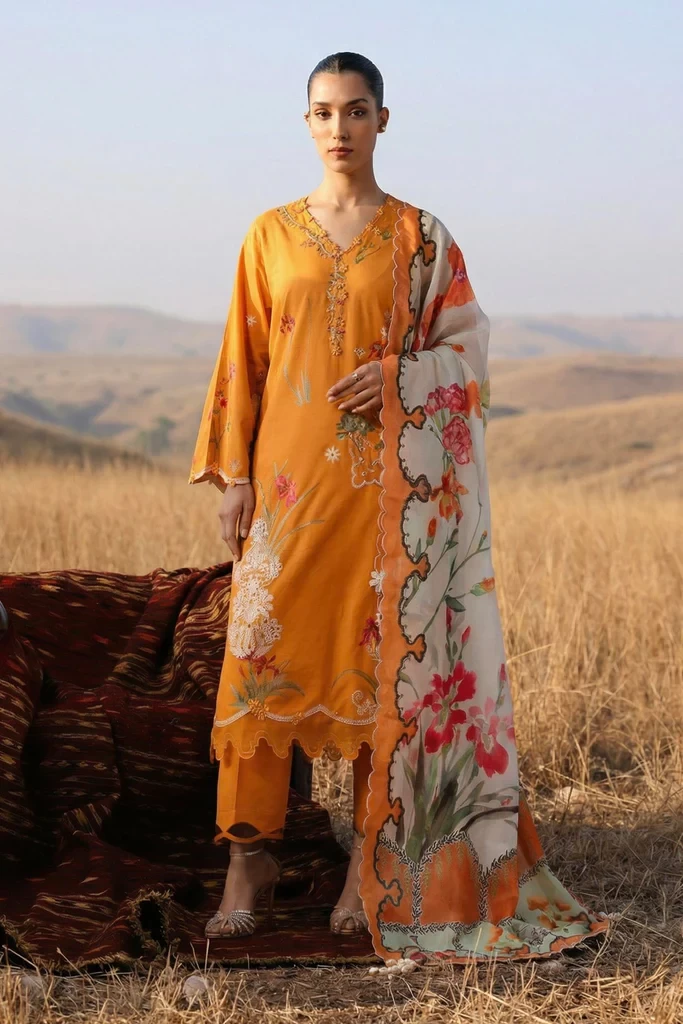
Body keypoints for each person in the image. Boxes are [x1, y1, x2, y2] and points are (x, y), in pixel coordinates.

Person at [190, 52, 608, 962]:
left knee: (377, 676)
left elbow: (469, 352)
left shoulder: (422, 238)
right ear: (305, 122)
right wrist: (234, 479)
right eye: (322, 111)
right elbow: (241, 360)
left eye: (354, 110)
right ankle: (247, 863)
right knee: (256, 667)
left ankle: (365, 866)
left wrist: (401, 376)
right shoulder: (268, 235)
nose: (337, 128)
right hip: (288, 495)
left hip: (390, 500)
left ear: (383, 119)